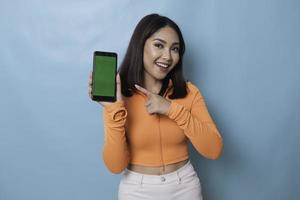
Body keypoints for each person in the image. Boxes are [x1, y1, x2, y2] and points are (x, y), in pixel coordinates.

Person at [88, 13, 223, 200]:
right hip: (136, 190)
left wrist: (171, 109)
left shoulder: (189, 92)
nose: (167, 56)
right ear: (140, 45)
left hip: (185, 187)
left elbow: (214, 149)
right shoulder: (120, 97)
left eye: (174, 49)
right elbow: (115, 165)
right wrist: (113, 110)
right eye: (159, 45)